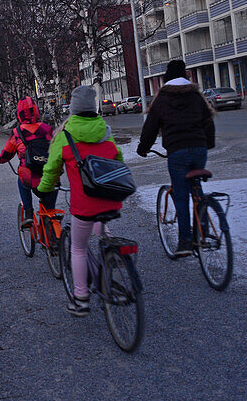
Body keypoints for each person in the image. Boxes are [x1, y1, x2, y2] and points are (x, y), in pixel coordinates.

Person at [37, 85, 125, 316]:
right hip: (112, 198)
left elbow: (51, 169)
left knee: (77, 247)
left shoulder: (65, 135)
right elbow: (119, 159)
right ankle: (110, 252)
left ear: (73, 110)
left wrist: (43, 189)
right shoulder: (105, 130)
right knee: (100, 220)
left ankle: (81, 298)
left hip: (84, 205)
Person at [137, 59, 215, 257]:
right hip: (199, 149)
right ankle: (203, 228)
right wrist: (209, 143)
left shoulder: (162, 98)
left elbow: (151, 126)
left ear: (167, 79)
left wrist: (143, 148)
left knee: (181, 195)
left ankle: (185, 242)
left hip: (177, 152)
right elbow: (208, 120)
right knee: (196, 186)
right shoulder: (197, 96)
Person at [0, 97, 57, 228]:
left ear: (19, 114)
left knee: (22, 182)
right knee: (50, 208)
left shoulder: (17, 133)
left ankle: (28, 212)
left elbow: (6, 155)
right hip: (50, 176)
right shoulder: (47, 129)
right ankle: (53, 234)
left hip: (30, 178)